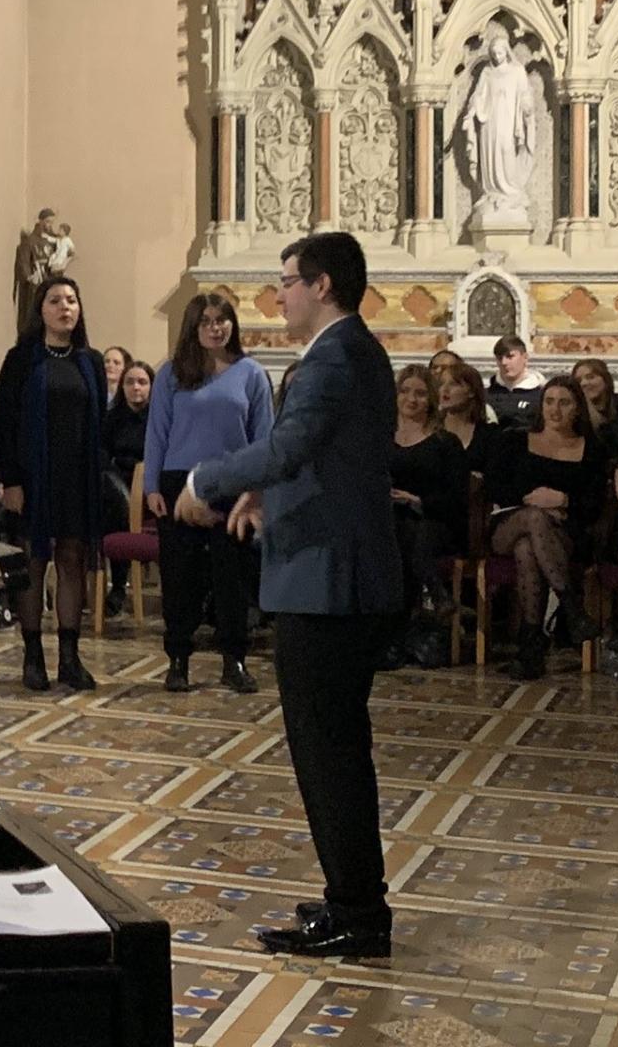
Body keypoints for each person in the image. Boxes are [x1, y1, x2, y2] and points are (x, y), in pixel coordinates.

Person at [176, 231, 400, 958]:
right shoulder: (353, 351)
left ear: (323, 284)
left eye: (288, 280)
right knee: (332, 749)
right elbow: (328, 462)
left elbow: (290, 447)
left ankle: (359, 914)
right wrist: (268, 499)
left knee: (327, 752)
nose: (279, 293)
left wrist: (205, 480)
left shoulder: (335, 357)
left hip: (328, 584)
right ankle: (351, 897)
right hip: (331, 570)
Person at [144, 293, 273, 694]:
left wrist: (256, 488)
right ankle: (178, 659)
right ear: (192, 328)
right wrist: (151, 486)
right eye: (206, 322)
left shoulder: (251, 373)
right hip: (178, 482)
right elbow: (157, 431)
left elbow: (264, 437)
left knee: (231, 576)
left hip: (232, 483)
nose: (215, 328)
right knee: (180, 575)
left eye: (222, 320)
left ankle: (233, 659)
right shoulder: (171, 374)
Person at [0, 276, 107, 694]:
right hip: (33, 476)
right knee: (34, 563)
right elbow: (3, 423)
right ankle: (32, 656)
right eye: (56, 300)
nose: (65, 307)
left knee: (72, 561)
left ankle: (70, 657)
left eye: (72, 300)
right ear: (40, 309)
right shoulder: (21, 359)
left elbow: (100, 424)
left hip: (77, 477)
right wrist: (12, 480)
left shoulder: (90, 360)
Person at [485, 376, 607, 679]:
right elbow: (494, 487)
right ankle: (571, 606)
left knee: (528, 548)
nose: (555, 409)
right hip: (509, 522)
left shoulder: (591, 449)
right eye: (549, 401)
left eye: (564, 402)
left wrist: (564, 499)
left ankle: (531, 647)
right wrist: (534, 500)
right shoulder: (515, 439)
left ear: (578, 408)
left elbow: (595, 504)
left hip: (564, 532)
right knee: (534, 519)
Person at [388, 364, 469, 663]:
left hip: (436, 520)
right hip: (390, 521)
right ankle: (436, 596)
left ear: (431, 399)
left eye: (421, 394)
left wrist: (417, 500)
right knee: (400, 532)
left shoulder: (445, 443)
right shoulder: (382, 438)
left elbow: (456, 497)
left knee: (414, 533)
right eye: (405, 392)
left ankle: (400, 632)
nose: (412, 399)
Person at [100, 360, 153, 617]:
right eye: (130, 382)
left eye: (142, 382)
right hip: (116, 483)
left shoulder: (157, 419)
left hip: (147, 486)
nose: (136, 388)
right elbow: (102, 452)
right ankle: (117, 586)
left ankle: (119, 586)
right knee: (110, 498)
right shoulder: (112, 417)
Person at [437, 361, 503, 476]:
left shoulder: (489, 435)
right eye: (441, 384)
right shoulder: (429, 428)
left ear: (471, 391)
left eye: (454, 384)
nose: (445, 389)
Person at [571, 358, 618, 459]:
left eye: (590, 377)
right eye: (578, 380)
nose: (584, 383)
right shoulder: (575, 412)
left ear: (605, 380)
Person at [486, 335, 546, 429]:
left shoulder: (542, 396)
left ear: (525, 357)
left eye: (510, 356)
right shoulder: (485, 395)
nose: (504, 362)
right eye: (499, 358)